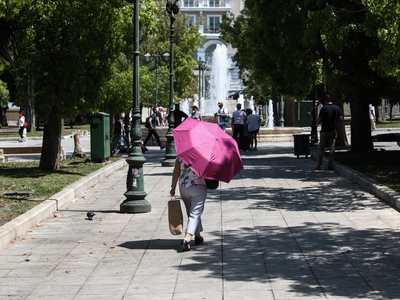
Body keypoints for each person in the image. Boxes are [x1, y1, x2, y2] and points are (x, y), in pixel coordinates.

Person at [170, 157, 207, 251]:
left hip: (184, 187)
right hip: (198, 187)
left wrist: (173, 187)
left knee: (192, 212)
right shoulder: (203, 155)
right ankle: (187, 238)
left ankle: (197, 236)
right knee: (195, 213)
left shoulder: (181, 154)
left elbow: (176, 171)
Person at [316, 94, 343, 171]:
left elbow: (319, 119)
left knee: (321, 148)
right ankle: (329, 165)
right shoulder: (336, 108)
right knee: (331, 148)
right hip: (333, 130)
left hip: (324, 130)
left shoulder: (323, 109)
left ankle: (319, 165)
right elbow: (340, 119)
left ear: (325, 101)